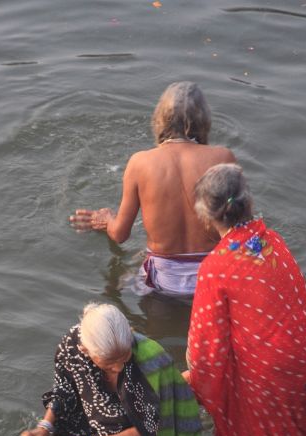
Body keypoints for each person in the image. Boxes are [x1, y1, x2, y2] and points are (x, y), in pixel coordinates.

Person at [183, 163, 306, 436]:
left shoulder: (216, 267)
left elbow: (207, 350)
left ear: (206, 217)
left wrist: (194, 385)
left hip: (278, 371)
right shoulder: (273, 241)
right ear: (248, 203)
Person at [69, 82, 236, 297]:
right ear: (204, 120)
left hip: (163, 283)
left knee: (127, 286)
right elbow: (238, 230)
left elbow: (120, 234)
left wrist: (107, 219)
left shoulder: (140, 162)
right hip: (212, 282)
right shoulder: (223, 157)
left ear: (160, 120)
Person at [19, 303, 203, 436]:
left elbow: (147, 430)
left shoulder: (151, 363)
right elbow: (65, 389)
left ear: (130, 333)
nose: (118, 368)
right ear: (86, 351)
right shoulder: (74, 346)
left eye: (125, 358)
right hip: (102, 419)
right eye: (108, 363)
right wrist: (45, 426)